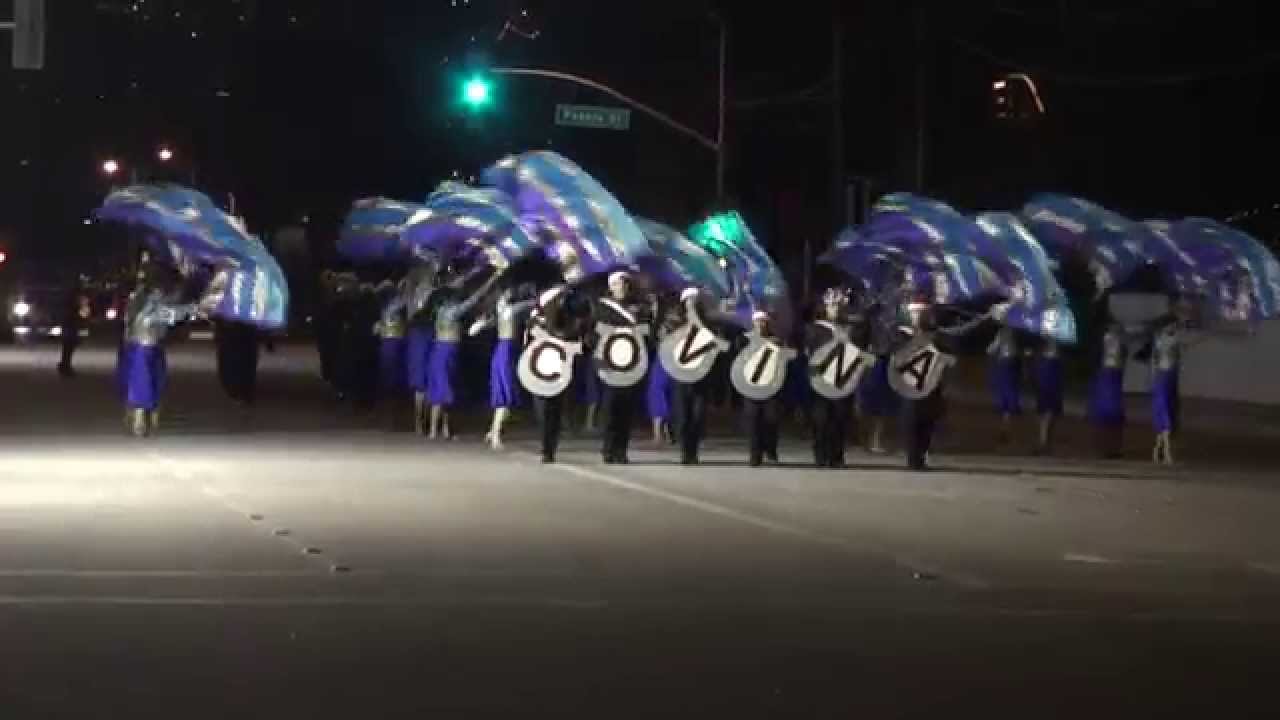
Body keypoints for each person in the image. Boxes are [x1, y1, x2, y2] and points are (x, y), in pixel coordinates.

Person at [894, 299, 987, 472]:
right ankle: (913, 458)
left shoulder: (938, 335)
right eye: (916, 313)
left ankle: (921, 455)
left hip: (931, 384)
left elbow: (961, 334)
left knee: (928, 419)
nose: (920, 317)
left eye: (923, 313)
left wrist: (987, 318)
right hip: (912, 384)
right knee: (912, 421)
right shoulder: (901, 334)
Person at [119, 265, 195, 437]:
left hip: (144, 343)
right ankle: (140, 414)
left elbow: (172, 308)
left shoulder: (143, 295)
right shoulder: (151, 298)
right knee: (143, 378)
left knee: (150, 377)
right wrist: (192, 308)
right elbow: (166, 313)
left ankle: (144, 412)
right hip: (143, 342)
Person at [425, 271, 500, 440]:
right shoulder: (452, 310)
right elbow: (474, 298)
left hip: (440, 350)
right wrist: (491, 280)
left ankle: (436, 429)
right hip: (447, 351)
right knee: (445, 389)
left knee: (440, 388)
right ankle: (441, 429)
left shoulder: (439, 309)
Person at [592, 271, 651, 465]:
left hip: (631, 361)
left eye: (624, 284)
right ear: (611, 287)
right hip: (609, 362)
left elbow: (646, 331)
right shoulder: (603, 307)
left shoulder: (640, 308)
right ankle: (608, 449)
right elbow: (599, 330)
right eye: (617, 284)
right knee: (610, 409)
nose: (621, 287)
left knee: (626, 410)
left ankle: (621, 450)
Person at [469, 284, 537, 451]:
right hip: (505, 352)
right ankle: (495, 434)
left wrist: (482, 322)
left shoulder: (501, 314)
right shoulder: (509, 310)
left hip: (505, 351)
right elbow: (532, 303)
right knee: (505, 398)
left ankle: (493, 431)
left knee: (506, 397)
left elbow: (472, 331)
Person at [530, 285, 585, 464]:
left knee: (554, 409)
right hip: (540, 367)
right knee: (543, 409)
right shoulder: (536, 322)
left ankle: (550, 447)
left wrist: (573, 345)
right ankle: (546, 446)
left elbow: (577, 343)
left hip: (559, 368)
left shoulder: (570, 323)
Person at [806, 288, 857, 468]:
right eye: (833, 306)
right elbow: (812, 353)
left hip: (843, 379)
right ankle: (820, 456)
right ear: (826, 307)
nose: (836, 310)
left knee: (840, 419)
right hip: (822, 378)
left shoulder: (852, 330)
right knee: (821, 419)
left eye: (840, 306)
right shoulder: (815, 329)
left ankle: (837, 456)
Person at [742, 311, 785, 467]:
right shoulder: (745, 340)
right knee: (753, 422)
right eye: (758, 322)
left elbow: (784, 360)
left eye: (764, 322)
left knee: (771, 420)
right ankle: (755, 455)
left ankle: (770, 449)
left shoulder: (776, 341)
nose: (761, 325)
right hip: (750, 386)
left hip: (770, 387)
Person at [857, 300, 899, 454]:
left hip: (883, 360)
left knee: (881, 404)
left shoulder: (889, 321)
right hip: (872, 360)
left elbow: (893, 342)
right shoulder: (867, 322)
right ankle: (866, 439)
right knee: (869, 403)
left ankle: (875, 440)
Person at [404, 262, 439, 435]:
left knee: (430, 380)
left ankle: (425, 421)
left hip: (430, 336)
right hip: (419, 336)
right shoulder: (414, 296)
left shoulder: (434, 293)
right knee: (420, 383)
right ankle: (419, 421)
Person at [1088, 317, 1129, 459]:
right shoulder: (1108, 340)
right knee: (1106, 414)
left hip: (1112, 376)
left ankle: (1113, 447)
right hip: (1107, 375)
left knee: (1114, 415)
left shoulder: (1119, 341)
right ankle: (1104, 447)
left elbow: (1122, 357)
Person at [647, 295, 678, 447]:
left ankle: (665, 432)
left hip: (672, 361)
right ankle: (659, 433)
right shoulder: (658, 323)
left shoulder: (677, 322)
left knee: (668, 395)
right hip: (662, 361)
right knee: (657, 393)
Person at [987, 324, 1022, 445]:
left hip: (1005, 363)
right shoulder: (1018, 332)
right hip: (1012, 363)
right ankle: (1006, 425)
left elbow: (992, 348)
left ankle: (1006, 428)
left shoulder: (1004, 332)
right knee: (1009, 393)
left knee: (1005, 394)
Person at [1033, 338, 1064, 455]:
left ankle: (1044, 442)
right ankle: (1044, 442)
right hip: (1047, 377)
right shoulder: (1048, 346)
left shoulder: (1051, 344)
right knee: (1046, 414)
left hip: (1049, 377)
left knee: (1047, 413)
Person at [57, 276, 89, 378]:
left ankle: (64, 365)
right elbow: (81, 310)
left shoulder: (73, 295)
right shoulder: (77, 296)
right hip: (73, 323)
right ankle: (65, 366)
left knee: (68, 346)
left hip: (71, 322)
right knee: (69, 345)